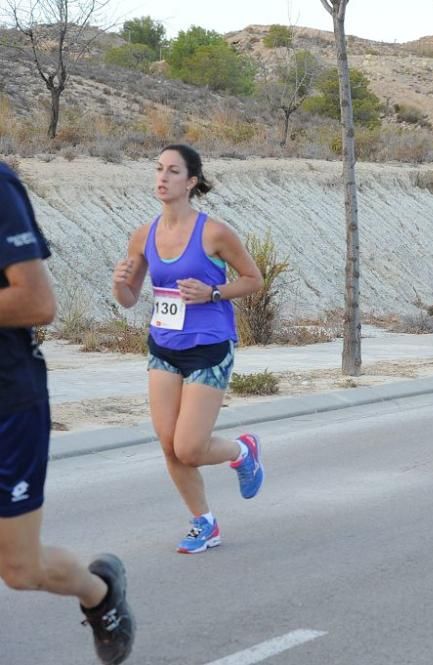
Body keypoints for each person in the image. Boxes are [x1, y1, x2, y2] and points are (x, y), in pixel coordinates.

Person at [0, 161, 135, 663]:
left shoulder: (0, 186)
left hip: (7, 401)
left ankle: (101, 594)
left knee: (19, 569)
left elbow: (36, 301)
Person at [112, 145, 265, 553]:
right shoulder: (143, 234)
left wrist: (213, 291)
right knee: (168, 444)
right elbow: (129, 298)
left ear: (191, 181)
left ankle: (241, 451)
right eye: (158, 169)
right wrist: (119, 282)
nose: (162, 178)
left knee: (190, 448)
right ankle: (204, 523)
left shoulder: (214, 232)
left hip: (209, 346)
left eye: (173, 171)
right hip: (163, 346)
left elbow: (253, 279)